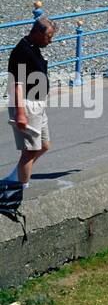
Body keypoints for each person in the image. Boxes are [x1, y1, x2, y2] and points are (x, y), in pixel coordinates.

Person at [5, 17, 56, 187]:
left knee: (44, 145)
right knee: (30, 150)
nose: (51, 40)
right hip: (26, 105)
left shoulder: (34, 47)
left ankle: (16, 176)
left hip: (37, 105)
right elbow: (17, 85)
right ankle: (21, 189)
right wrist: (20, 114)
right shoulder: (22, 52)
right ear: (36, 33)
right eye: (48, 36)